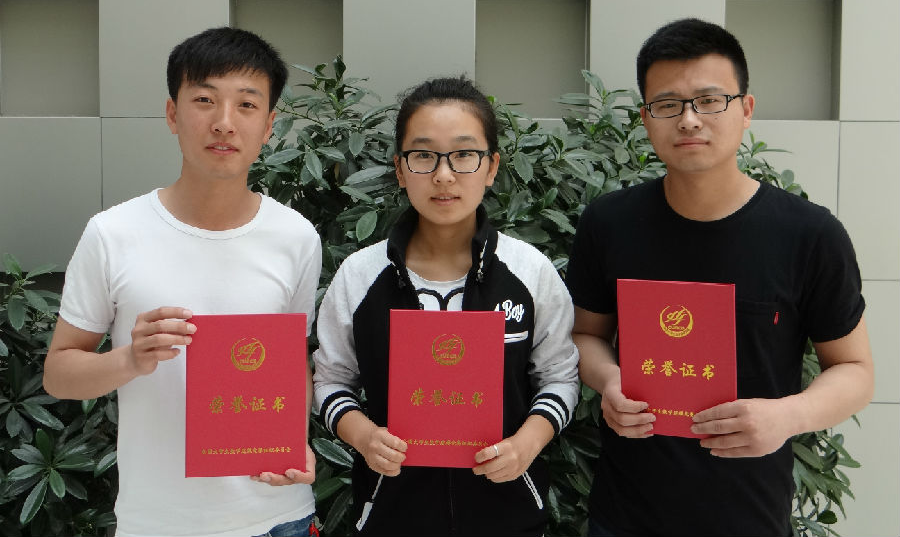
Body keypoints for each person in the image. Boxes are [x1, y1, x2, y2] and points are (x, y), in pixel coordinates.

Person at [567, 17, 874, 537]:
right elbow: (585, 335)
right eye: (668, 104)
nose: (689, 120)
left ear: (745, 109)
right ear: (646, 118)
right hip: (625, 515)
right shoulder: (609, 222)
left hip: (749, 515)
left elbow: (855, 369)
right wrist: (609, 379)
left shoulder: (809, 234)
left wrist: (789, 416)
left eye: (710, 100)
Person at [43, 27, 321, 537]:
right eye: (204, 100)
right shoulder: (113, 233)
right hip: (160, 522)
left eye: (246, 105)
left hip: (277, 516)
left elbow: (291, 360)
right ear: (172, 114)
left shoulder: (295, 237)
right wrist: (129, 359)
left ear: (268, 125)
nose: (224, 122)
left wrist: (293, 439)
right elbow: (58, 374)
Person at [313, 76, 580, 536]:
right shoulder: (360, 276)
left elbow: (560, 376)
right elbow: (331, 379)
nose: (443, 175)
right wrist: (364, 437)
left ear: (492, 167)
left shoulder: (529, 271)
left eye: (463, 154)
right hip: (392, 516)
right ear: (400, 170)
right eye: (423, 155)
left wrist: (526, 444)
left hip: (507, 515)